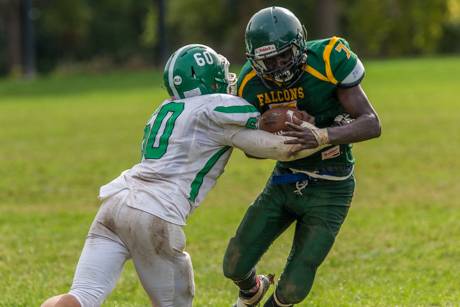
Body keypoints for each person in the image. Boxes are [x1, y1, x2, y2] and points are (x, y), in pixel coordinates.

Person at [41, 44, 324, 307]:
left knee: (82, 295)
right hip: (154, 213)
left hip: (115, 203)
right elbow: (266, 124)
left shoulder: (164, 109)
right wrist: (315, 129)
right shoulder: (215, 105)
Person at [223, 6, 382, 307]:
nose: (279, 65)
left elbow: (372, 123)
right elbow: (249, 151)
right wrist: (276, 139)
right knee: (233, 264)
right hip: (285, 179)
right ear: (253, 59)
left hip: (332, 183)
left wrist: (321, 136)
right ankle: (251, 291)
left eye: (284, 55)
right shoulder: (249, 84)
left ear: (300, 45)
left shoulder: (329, 59)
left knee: (294, 286)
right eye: (269, 59)